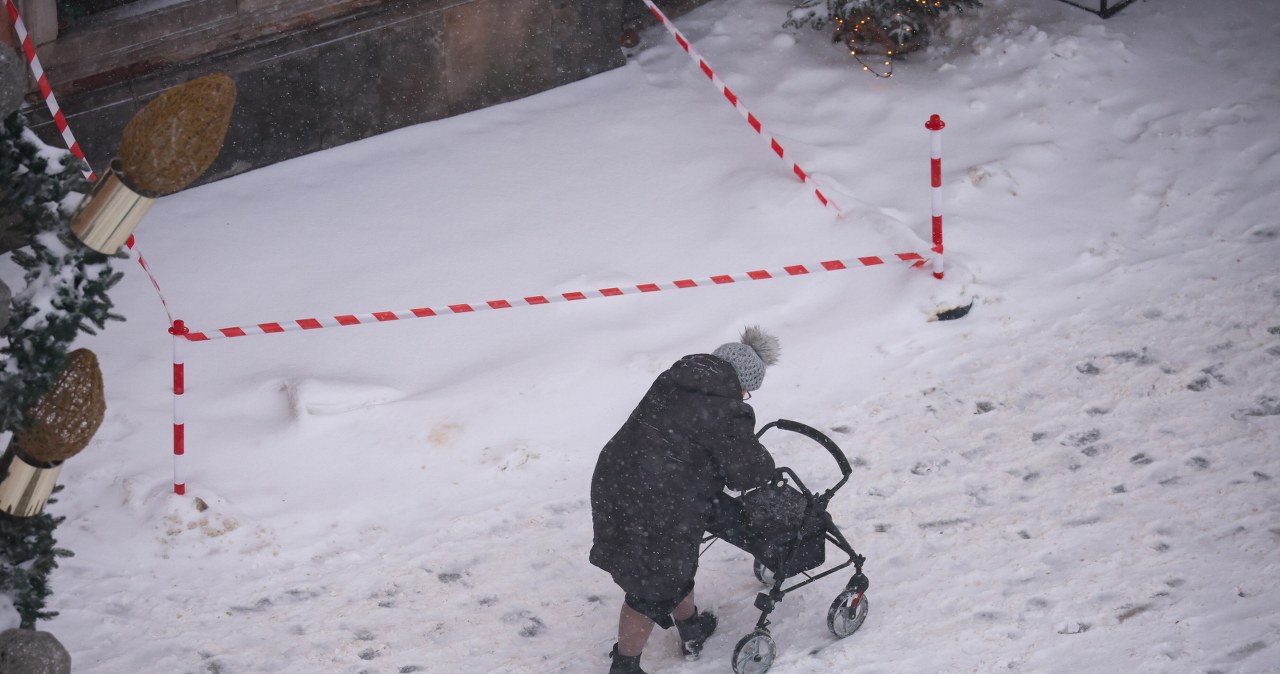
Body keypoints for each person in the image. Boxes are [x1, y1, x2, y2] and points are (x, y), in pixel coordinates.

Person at [590, 326, 781, 674]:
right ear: (741, 384)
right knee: (649, 585)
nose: (744, 397)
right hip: (658, 500)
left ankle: (690, 626)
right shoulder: (725, 409)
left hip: (616, 479)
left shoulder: (675, 379)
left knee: (671, 564)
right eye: (747, 392)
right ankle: (625, 666)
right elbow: (749, 473)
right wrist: (764, 463)